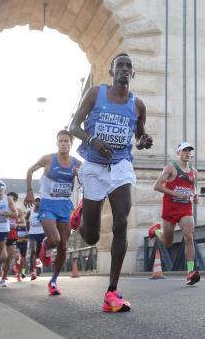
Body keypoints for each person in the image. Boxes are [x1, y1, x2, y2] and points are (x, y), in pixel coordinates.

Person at [69, 53, 153, 312]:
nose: (125, 69)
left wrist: (143, 141)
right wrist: (92, 140)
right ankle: (81, 215)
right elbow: (73, 126)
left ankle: (112, 292)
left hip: (120, 166)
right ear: (112, 71)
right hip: (93, 166)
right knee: (92, 236)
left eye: (129, 66)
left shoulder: (138, 105)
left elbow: (138, 136)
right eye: (121, 65)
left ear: (133, 73)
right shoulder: (96, 93)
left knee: (121, 221)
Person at [24, 130, 81, 296]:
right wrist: (29, 191)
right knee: (55, 239)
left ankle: (54, 281)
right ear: (57, 143)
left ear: (71, 144)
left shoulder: (77, 163)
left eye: (66, 141)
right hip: (48, 204)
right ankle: (46, 245)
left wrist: (80, 176)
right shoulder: (48, 159)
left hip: (65, 206)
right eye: (61, 141)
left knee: (63, 245)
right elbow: (29, 170)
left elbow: (88, 178)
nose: (63, 144)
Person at [153, 142, 200, 286]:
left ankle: (190, 272)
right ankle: (156, 231)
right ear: (178, 152)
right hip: (170, 209)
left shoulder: (194, 171)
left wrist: (195, 195)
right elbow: (157, 186)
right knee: (168, 243)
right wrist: (176, 194)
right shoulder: (170, 168)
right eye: (184, 150)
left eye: (189, 151)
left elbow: (193, 187)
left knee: (189, 236)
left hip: (185, 209)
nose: (187, 153)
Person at [3, 192, 25, 285]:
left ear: (15, 200)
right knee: (1, 256)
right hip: (2, 234)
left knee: (9, 258)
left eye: (12, 199)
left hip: (12, 235)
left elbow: (23, 224)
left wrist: (16, 225)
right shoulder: (3, 209)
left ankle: (3, 278)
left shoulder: (19, 211)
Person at [26, 196, 45, 280]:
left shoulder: (44, 211)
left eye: (39, 201)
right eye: (36, 201)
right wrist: (28, 230)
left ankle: (38, 269)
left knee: (38, 253)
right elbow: (26, 220)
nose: (37, 203)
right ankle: (33, 270)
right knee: (33, 251)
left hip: (41, 234)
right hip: (32, 234)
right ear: (34, 202)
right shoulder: (30, 212)